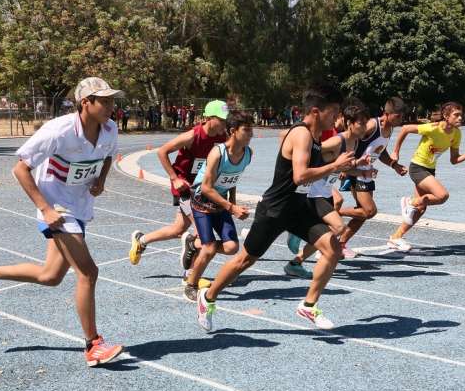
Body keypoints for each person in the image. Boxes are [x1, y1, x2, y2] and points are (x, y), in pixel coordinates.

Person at [0, 77, 124, 366]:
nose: (111, 106)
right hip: (57, 209)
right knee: (88, 272)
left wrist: (101, 178)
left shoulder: (110, 130)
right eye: (105, 101)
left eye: (113, 100)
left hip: (79, 206)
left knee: (51, 276)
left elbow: (108, 156)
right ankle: (93, 345)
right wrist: (45, 209)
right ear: (86, 103)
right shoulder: (58, 132)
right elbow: (21, 169)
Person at [196, 83, 359, 332]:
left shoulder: (315, 138)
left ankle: (309, 305)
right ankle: (207, 298)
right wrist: (335, 166)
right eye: (334, 111)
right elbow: (300, 176)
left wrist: (348, 166)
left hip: (299, 209)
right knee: (243, 261)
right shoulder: (302, 134)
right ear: (316, 111)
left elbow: (319, 170)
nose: (336, 117)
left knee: (333, 248)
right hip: (275, 209)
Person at [127, 100, 228, 274]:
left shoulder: (222, 137)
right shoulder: (192, 136)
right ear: (210, 118)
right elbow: (162, 151)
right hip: (185, 188)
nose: (224, 123)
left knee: (178, 229)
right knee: (200, 231)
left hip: (202, 189)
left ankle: (141, 240)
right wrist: (175, 179)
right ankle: (190, 276)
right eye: (221, 119)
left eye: (226, 120)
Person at [284, 101, 370, 278]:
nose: (364, 127)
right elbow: (314, 153)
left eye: (365, 123)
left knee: (326, 233)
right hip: (313, 192)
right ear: (348, 123)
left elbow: (341, 168)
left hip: (325, 191)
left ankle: (296, 262)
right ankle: (298, 230)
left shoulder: (354, 144)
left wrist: (361, 170)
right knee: (338, 227)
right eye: (360, 123)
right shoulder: (337, 141)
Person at [387, 102, 465, 251]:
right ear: (446, 116)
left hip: (430, 170)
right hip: (417, 168)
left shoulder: (456, 133)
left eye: (461, 114)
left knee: (421, 208)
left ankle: (396, 237)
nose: (460, 117)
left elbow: (454, 160)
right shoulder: (432, 128)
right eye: (456, 115)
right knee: (442, 195)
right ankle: (409, 202)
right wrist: (396, 152)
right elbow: (405, 128)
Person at [182, 111, 254, 301]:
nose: (251, 134)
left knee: (231, 247)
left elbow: (233, 179)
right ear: (233, 131)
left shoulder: (247, 154)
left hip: (220, 203)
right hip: (201, 201)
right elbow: (206, 188)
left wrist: (234, 203)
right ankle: (191, 283)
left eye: (251, 130)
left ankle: (193, 243)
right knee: (210, 248)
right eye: (246, 130)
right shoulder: (217, 153)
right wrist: (232, 208)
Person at [337, 97, 408, 257]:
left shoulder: (389, 130)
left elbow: (380, 151)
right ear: (387, 113)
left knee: (362, 214)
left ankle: (340, 244)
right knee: (369, 211)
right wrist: (345, 164)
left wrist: (394, 165)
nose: (400, 119)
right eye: (398, 116)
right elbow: (349, 138)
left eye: (402, 116)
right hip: (356, 171)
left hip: (367, 173)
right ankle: (335, 212)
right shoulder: (371, 125)